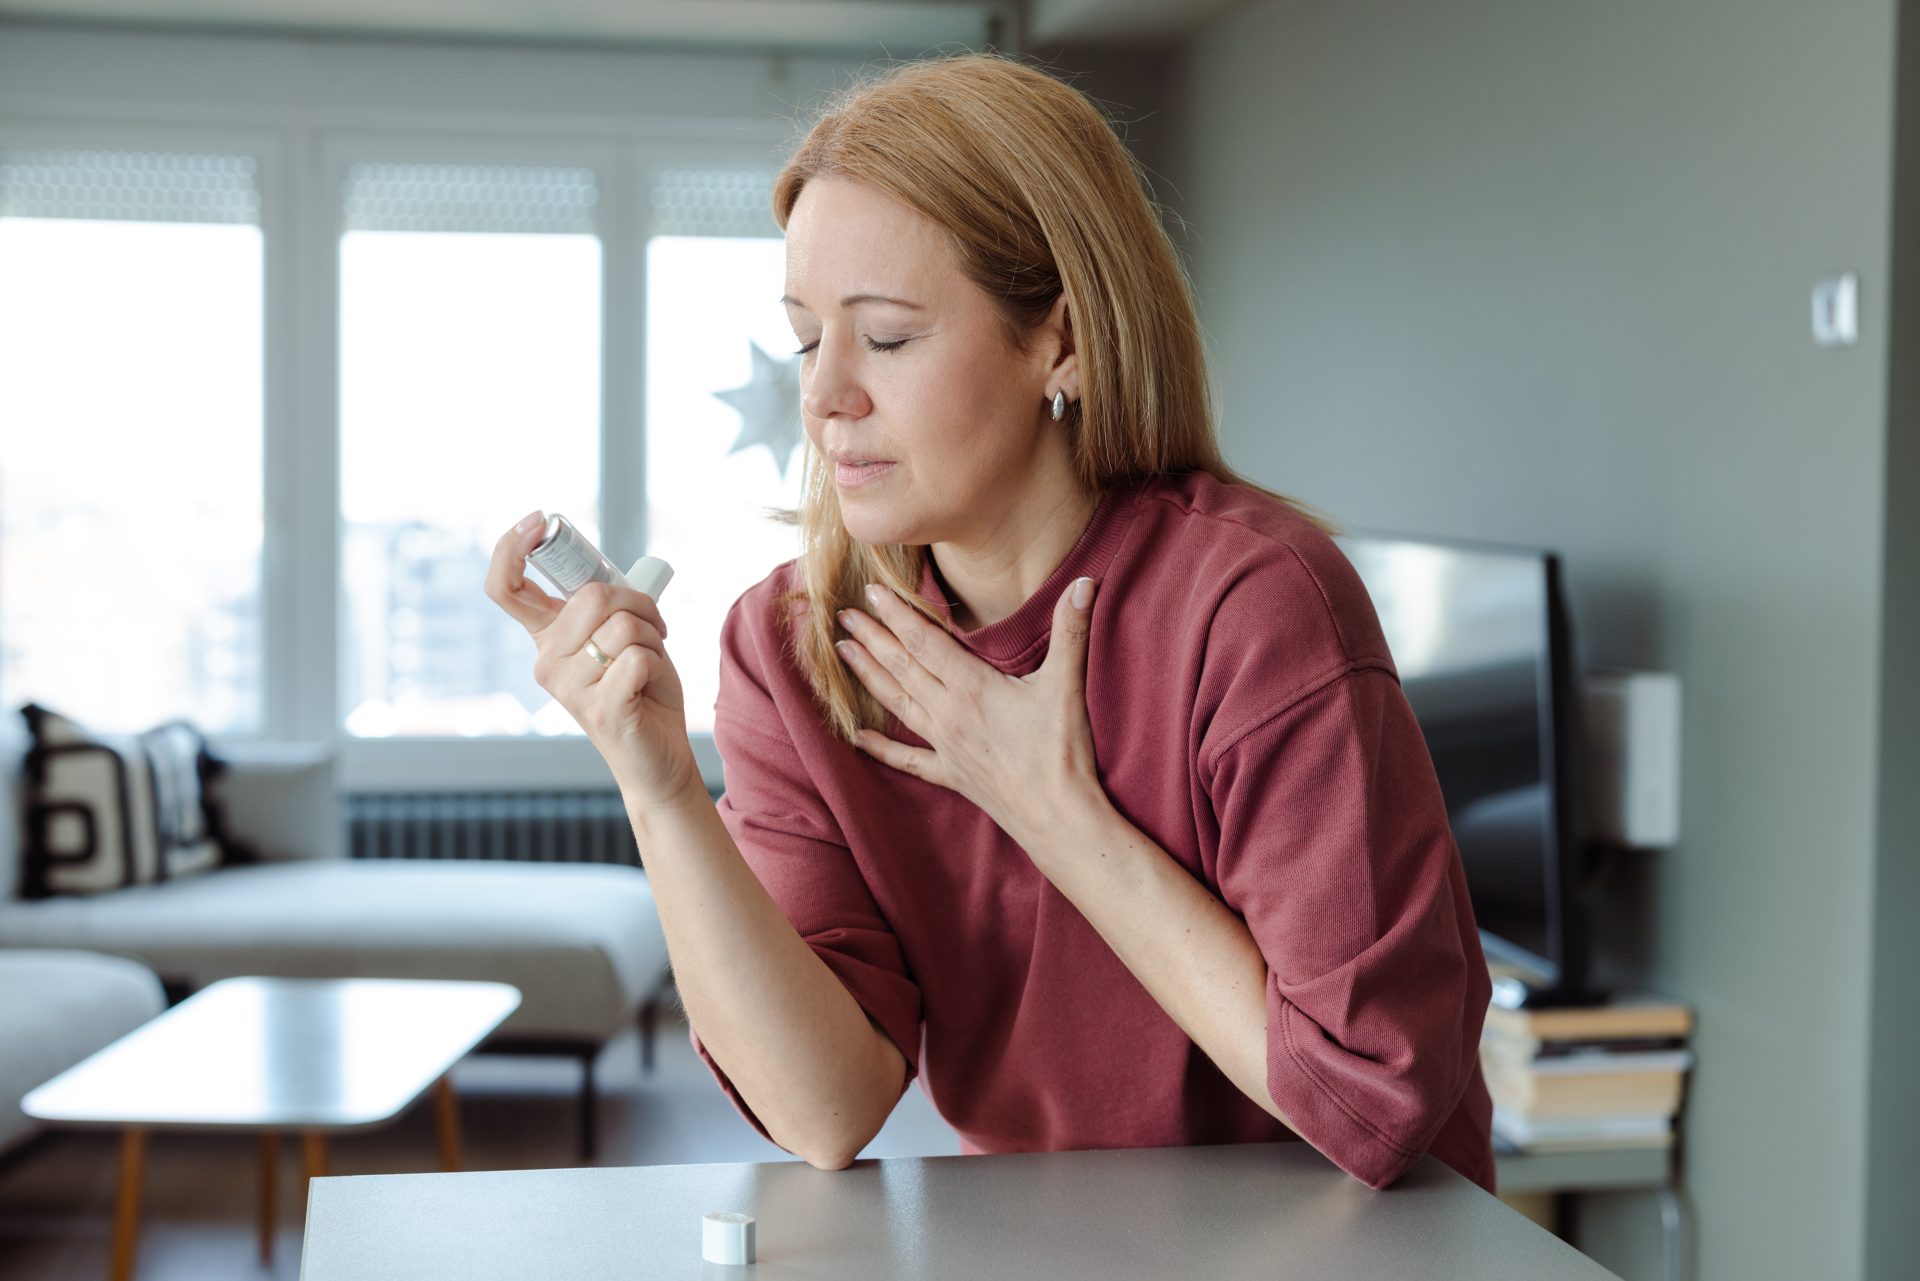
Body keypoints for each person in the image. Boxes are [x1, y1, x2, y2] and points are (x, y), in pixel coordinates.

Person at [486, 53, 1495, 1193]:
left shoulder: (1256, 607)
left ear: (1058, 342)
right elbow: (824, 1109)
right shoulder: (792, 648)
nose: (824, 398)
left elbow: (1369, 1102)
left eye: (890, 336)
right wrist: (659, 785)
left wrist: (1049, 807)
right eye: (809, 336)